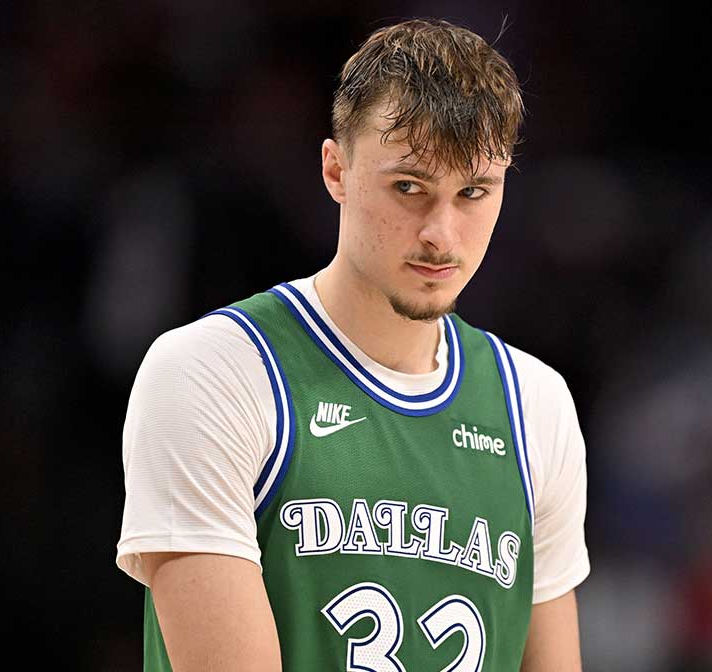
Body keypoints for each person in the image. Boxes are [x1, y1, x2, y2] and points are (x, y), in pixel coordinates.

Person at [117, 18, 589, 671]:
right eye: (409, 187)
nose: (441, 234)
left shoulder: (535, 405)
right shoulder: (213, 372)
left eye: (473, 192)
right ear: (336, 170)